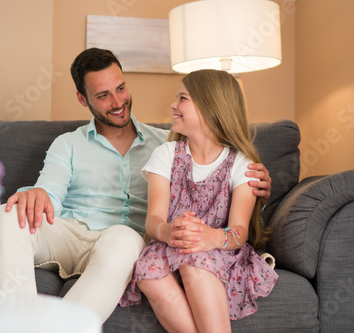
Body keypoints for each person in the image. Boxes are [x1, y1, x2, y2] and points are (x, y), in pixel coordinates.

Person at [0, 48, 273, 326]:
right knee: (8, 213)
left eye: (121, 88)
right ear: (82, 98)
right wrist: (37, 193)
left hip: (122, 243)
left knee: (124, 239)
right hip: (70, 233)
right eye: (102, 95)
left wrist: (258, 185)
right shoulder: (68, 144)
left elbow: (216, 166)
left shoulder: (169, 143)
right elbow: (49, 194)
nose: (117, 101)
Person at [119, 69, 279, 333]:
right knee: (149, 273)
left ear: (210, 107)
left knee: (197, 262)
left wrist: (211, 237)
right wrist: (168, 231)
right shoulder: (166, 154)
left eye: (182, 98)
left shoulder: (241, 164)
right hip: (171, 246)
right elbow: (154, 220)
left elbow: (239, 232)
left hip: (218, 248)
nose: (173, 105)